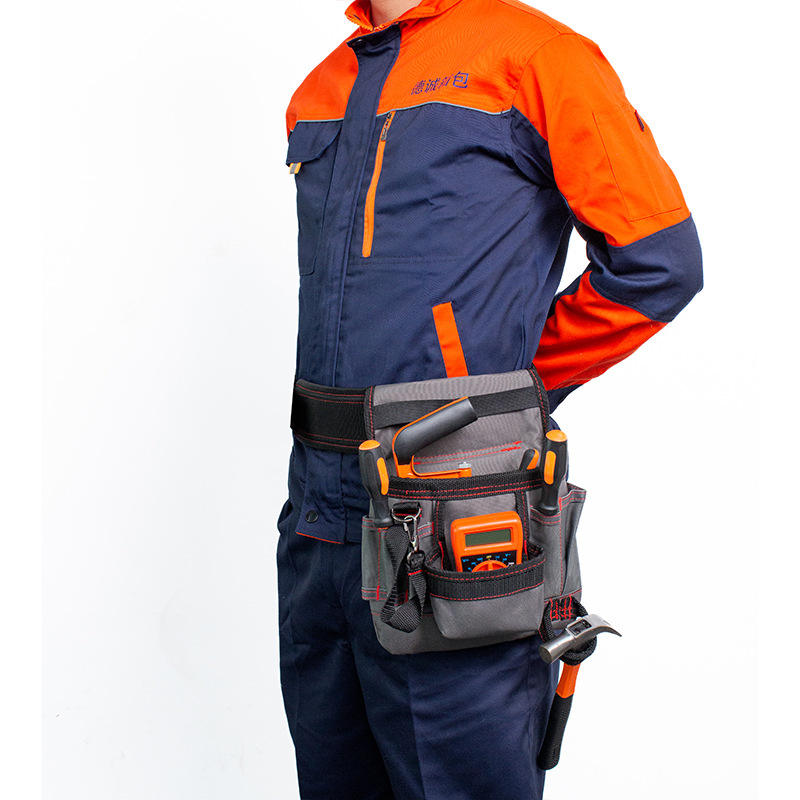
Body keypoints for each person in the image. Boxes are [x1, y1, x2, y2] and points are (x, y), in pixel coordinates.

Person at [277, 0, 702, 797]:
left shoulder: (538, 57)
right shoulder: (321, 86)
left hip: (457, 515)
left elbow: (660, 262)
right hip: (318, 520)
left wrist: (505, 397)